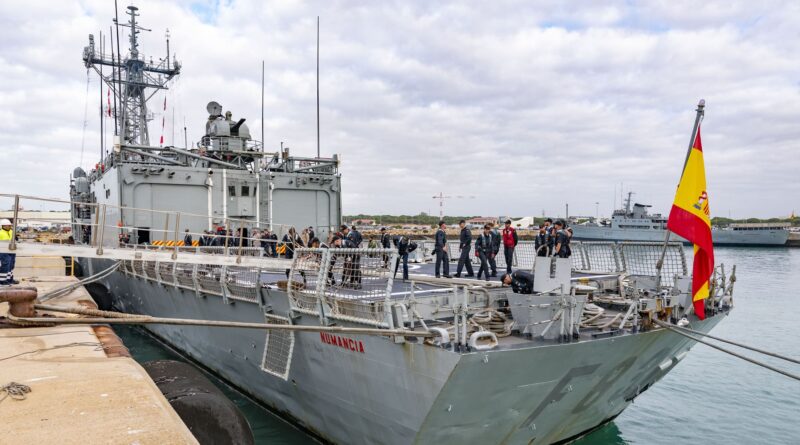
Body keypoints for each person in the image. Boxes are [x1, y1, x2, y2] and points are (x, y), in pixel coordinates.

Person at [0, 219, 18, 285]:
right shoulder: (0, 232)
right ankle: (2, 280)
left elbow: (15, 239)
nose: (9, 226)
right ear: (3, 226)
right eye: (7, 225)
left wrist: (16, 238)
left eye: (9, 225)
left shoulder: (11, 231)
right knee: (5, 264)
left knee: (11, 265)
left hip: (11, 250)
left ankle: (9, 279)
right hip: (3, 251)